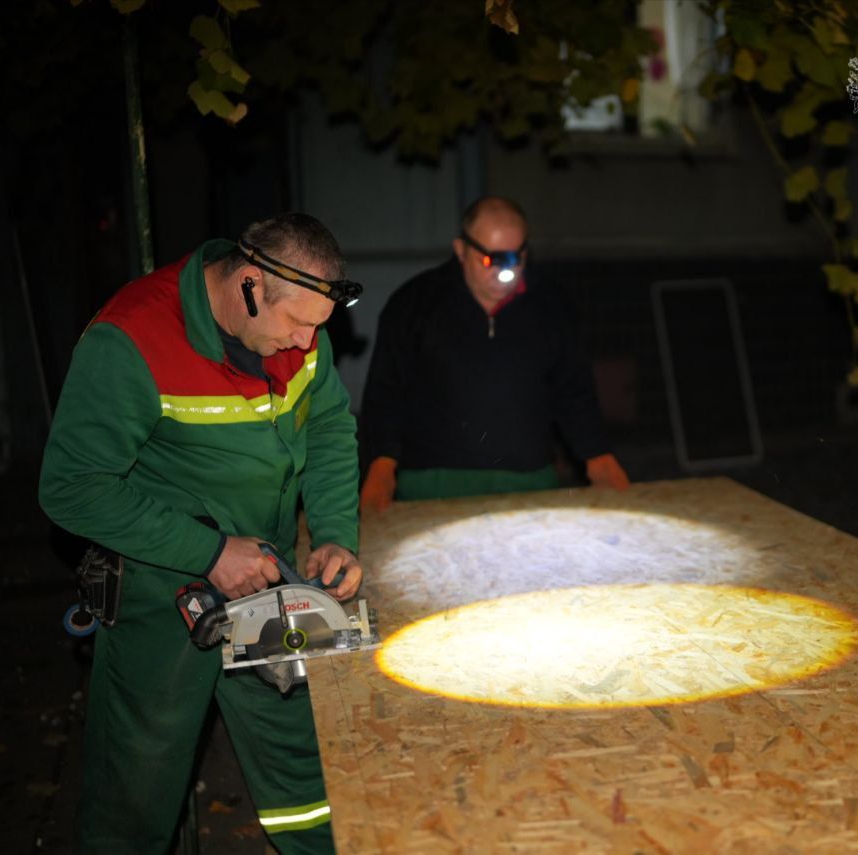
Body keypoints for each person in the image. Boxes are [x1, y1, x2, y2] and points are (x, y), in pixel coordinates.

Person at [39, 212, 364, 854]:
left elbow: (328, 428)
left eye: (319, 327)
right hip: (162, 596)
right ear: (249, 284)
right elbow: (71, 487)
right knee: (135, 794)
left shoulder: (301, 331)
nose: (307, 341)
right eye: (297, 323)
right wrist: (209, 552)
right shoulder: (130, 340)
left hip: (269, 581)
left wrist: (332, 532)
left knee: (303, 775)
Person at [358, 196, 629, 509]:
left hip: (528, 480)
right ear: (461, 249)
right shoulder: (414, 304)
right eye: (491, 260)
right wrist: (380, 467)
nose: (504, 272)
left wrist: (598, 457)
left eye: (515, 258)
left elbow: (574, 390)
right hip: (432, 483)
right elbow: (386, 393)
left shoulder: (550, 305)